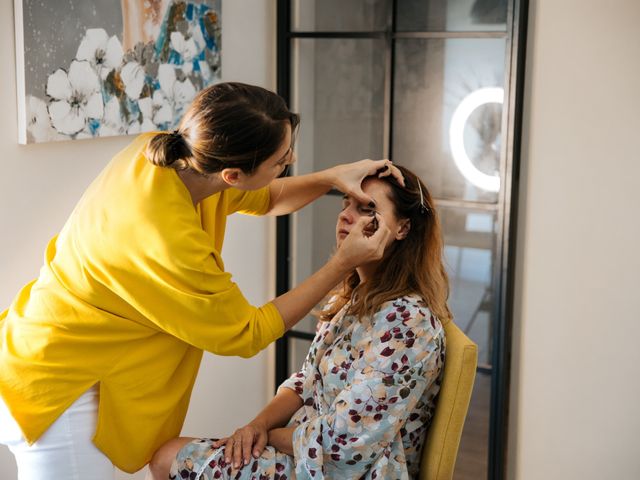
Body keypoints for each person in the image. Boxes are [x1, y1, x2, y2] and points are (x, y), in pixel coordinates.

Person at [0, 82, 404, 479]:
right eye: (281, 160)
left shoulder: (169, 154)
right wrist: (340, 265)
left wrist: (334, 177)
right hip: (62, 386)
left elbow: (269, 197)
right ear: (232, 174)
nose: (292, 159)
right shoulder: (167, 238)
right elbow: (248, 332)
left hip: (37, 340)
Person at [148, 166, 450, 480]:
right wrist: (257, 425)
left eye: (367, 209)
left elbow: (343, 448)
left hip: (346, 470)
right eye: (345, 203)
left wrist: (270, 436)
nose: (346, 215)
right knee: (166, 455)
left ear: (402, 228)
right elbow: (307, 379)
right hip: (303, 450)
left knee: (168, 459)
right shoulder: (351, 298)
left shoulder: (407, 324)